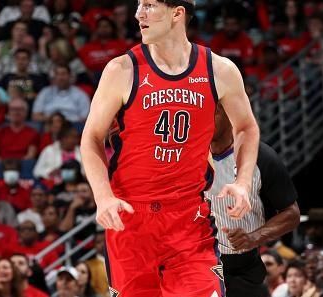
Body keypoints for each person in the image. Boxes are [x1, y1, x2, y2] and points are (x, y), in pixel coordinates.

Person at [80, 0, 260, 296]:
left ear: (177, 13)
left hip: (189, 220)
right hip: (130, 219)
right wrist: (102, 197)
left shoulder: (219, 69)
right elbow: (91, 138)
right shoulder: (120, 69)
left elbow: (247, 126)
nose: (138, 14)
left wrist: (242, 182)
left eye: (149, 5)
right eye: (138, 5)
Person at [206, 103, 300, 297]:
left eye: (211, 112)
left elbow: (292, 214)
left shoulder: (261, 156)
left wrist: (253, 237)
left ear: (228, 112)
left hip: (244, 266)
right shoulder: (187, 156)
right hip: (200, 260)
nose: (203, 119)